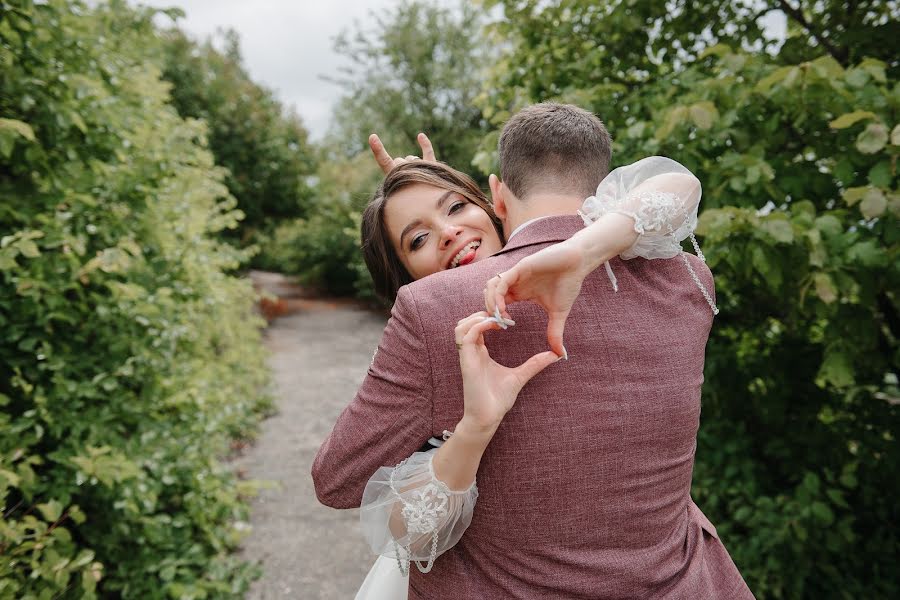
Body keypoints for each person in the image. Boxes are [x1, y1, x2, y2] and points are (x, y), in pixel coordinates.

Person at [313, 103, 752, 598]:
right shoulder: (688, 280)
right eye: (417, 240)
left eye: (457, 207)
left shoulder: (431, 310)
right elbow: (675, 184)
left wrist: (430, 261)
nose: (451, 231)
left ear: (494, 200)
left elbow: (337, 480)